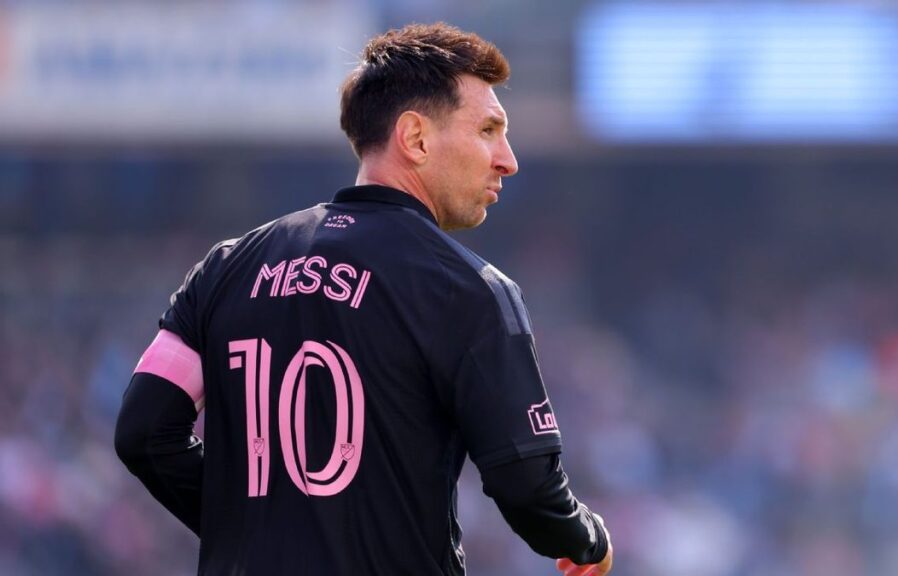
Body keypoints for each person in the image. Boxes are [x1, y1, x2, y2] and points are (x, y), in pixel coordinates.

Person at [115, 22, 613, 576]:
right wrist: (586, 536)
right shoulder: (468, 290)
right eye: (489, 130)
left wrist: (254, 530)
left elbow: (143, 432)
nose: (507, 159)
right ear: (416, 138)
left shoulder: (227, 268)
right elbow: (529, 491)